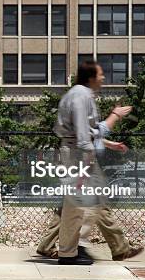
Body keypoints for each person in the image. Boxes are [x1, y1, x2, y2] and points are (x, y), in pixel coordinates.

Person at [50, 60, 137, 265]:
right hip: (78, 153)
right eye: (100, 74)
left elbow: (88, 131)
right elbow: (82, 134)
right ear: (91, 77)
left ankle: (73, 248)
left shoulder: (79, 93)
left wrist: (106, 141)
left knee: (87, 202)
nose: (103, 77)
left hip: (77, 150)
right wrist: (88, 159)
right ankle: (70, 251)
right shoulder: (81, 95)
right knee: (77, 205)